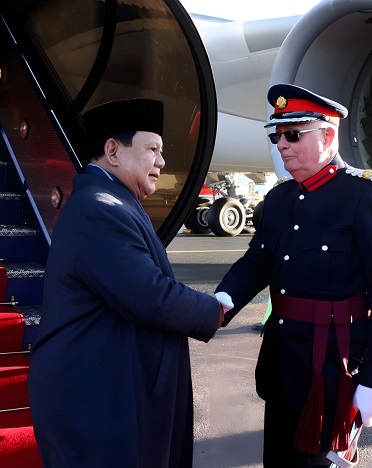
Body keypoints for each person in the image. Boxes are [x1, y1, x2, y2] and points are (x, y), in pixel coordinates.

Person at [215, 84, 372, 466]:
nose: (282, 145)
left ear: (328, 135)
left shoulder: (368, 195)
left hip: (332, 371)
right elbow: (257, 261)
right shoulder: (279, 199)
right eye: (277, 136)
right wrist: (221, 301)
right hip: (283, 363)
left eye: (293, 134)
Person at [28, 98, 225, 467]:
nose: (162, 162)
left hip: (104, 394)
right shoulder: (100, 208)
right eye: (153, 149)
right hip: (93, 403)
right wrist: (213, 310)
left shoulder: (110, 199)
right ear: (113, 151)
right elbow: (149, 295)